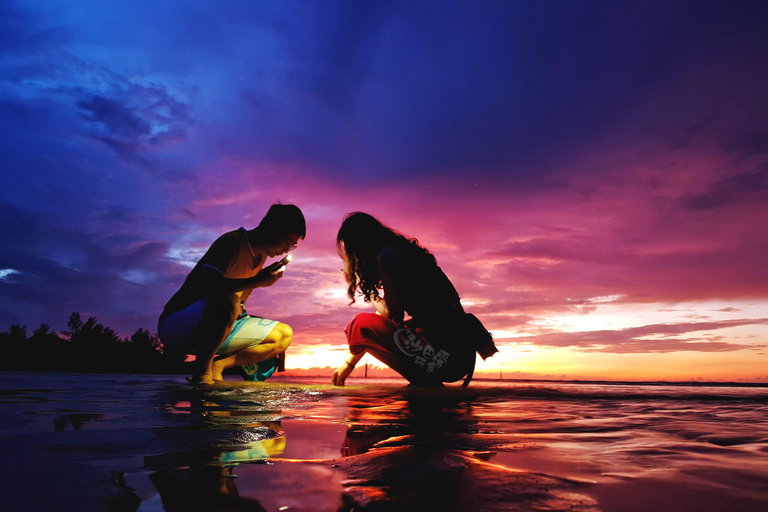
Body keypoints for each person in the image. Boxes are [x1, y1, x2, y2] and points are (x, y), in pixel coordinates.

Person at [332, 212, 496, 387]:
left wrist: (366, 289)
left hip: (446, 355)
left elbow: (393, 314)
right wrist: (349, 364)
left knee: (359, 324)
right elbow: (383, 315)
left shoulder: (387, 257)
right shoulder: (403, 254)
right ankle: (424, 382)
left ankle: (424, 383)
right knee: (369, 324)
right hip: (462, 352)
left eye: (350, 252)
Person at [158, 203, 305, 384]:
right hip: (178, 322)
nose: (286, 249)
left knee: (283, 334)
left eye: (291, 246)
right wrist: (258, 281)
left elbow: (236, 305)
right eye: (287, 242)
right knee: (229, 302)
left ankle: (217, 366)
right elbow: (207, 285)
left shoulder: (261, 256)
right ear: (273, 228)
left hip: (217, 321)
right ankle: (202, 375)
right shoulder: (231, 243)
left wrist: (258, 280)